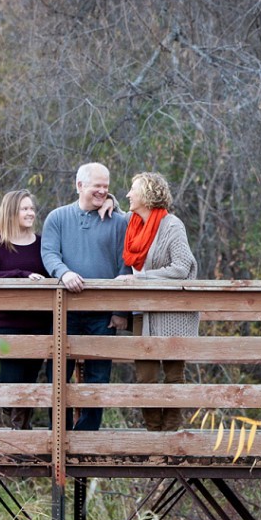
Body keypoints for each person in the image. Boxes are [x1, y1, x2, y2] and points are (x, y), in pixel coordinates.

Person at [41, 162, 129, 431]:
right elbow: (49, 253)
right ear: (80, 186)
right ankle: (61, 434)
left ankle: (86, 437)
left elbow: (126, 265)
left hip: (103, 312)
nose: (102, 191)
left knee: (98, 377)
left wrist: (120, 311)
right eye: (97, 186)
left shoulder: (119, 221)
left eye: (106, 187)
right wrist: (64, 273)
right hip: (64, 308)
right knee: (56, 375)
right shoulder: (57, 217)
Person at [116, 172, 199, 431]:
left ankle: (172, 434)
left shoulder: (172, 225)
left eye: (133, 189)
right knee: (145, 377)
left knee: (174, 374)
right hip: (143, 312)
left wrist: (143, 278)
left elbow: (182, 267)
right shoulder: (132, 223)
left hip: (171, 312)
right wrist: (107, 199)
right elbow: (116, 212)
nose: (128, 194)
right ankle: (154, 434)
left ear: (148, 194)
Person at [0, 189, 49, 430]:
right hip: (4, 324)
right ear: (11, 212)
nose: (31, 213)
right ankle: (19, 426)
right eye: (25, 209)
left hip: (39, 325)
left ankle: (22, 434)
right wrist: (21, 275)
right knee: (9, 381)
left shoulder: (42, 243)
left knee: (28, 380)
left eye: (32, 208)